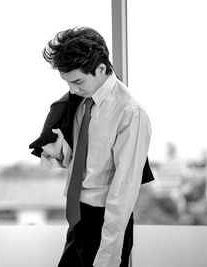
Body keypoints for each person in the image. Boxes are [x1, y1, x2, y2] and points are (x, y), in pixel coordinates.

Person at [40, 27, 152, 267]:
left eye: (78, 81)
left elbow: (124, 188)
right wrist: (61, 153)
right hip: (78, 216)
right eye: (68, 83)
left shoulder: (130, 112)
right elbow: (87, 159)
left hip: (105, 220)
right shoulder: (81, 100)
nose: (72, 89)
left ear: (101, 69)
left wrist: (109, 253)